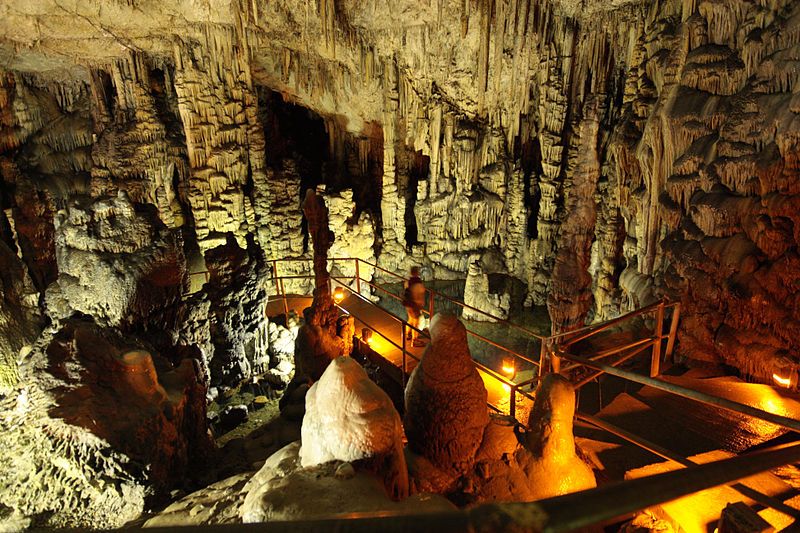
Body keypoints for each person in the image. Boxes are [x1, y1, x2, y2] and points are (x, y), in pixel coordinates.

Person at [403, 266, 427, 347]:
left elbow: (406, 289)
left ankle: (407, 334)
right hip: (414, 304)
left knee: (410, 319)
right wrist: (421, 304)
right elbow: (419, 294)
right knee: (416, 323)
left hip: (407, 304)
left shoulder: (408, 281)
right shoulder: (418, 283)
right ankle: (414, 340)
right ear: (417, 273)